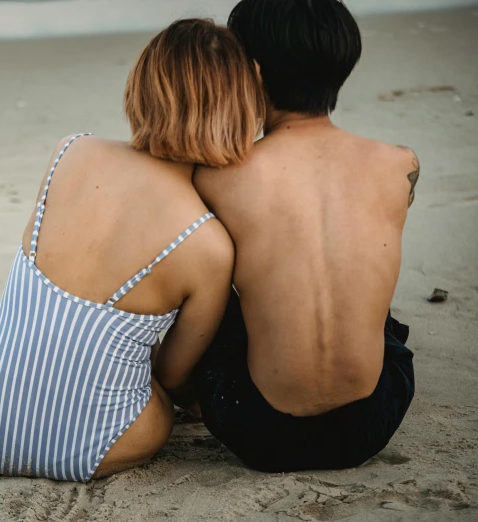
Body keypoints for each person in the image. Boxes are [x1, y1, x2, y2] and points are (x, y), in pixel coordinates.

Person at [0, 19, 265, 482]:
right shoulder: (207, 244)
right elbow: (176, 377)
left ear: (142, 87)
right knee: (155, 400)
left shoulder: (71, 152)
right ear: (238, 110)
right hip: (96, 445)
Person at [180, 0, 417, 472]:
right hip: (372, 422)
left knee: (211, 285)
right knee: (365, 291)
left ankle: (188, 399)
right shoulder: (401, 164)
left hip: (259, 431)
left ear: (250, 71)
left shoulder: (216, 178)